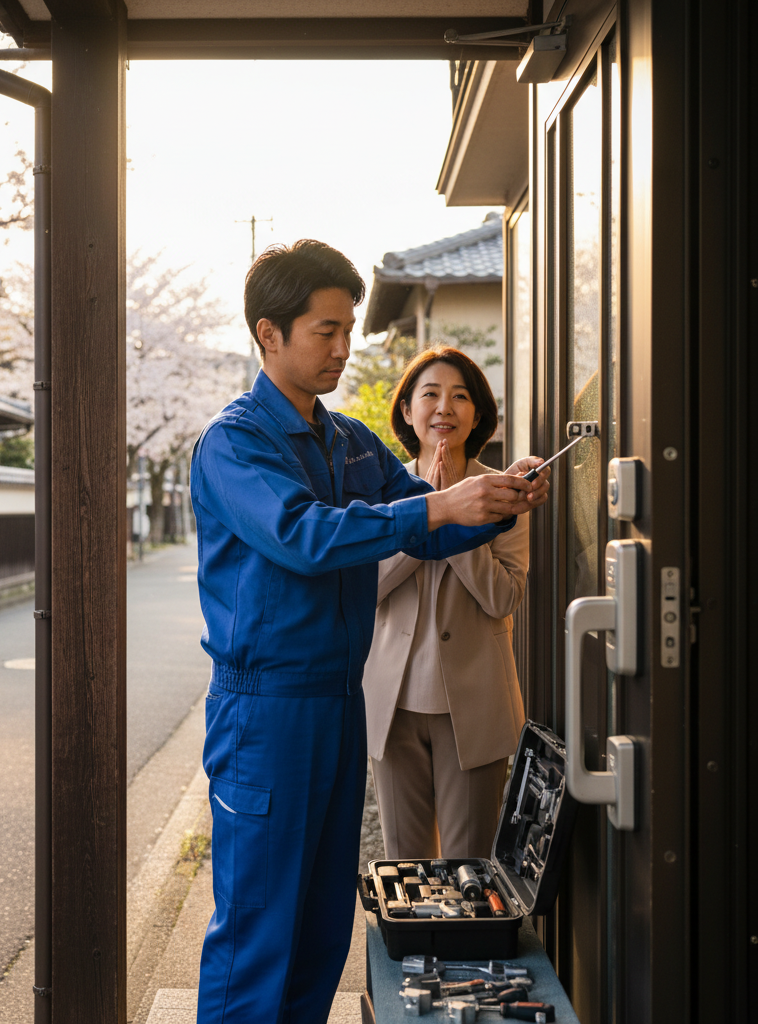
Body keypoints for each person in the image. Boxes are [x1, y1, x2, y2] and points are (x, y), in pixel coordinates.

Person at [190, 240, 549, 1024]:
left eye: (349, 329)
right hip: (265, 710)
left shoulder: (348, 439)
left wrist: (492, 499)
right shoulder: (234, 442)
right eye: (325, 330)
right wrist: (436, 506)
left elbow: (422, 530)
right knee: (258, 929)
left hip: (338, 702)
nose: (343, 349)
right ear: (268, 334)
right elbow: (304, 536)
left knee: (320, 925)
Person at [363, 347, 529, 861]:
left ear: (477, 414)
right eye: (429, 394)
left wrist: (462, 513)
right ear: (408, 411)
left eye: (460, 396)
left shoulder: (506, 493)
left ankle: (467, 947)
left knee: (469, 865)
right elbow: (366, 586)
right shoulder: (380, 493)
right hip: (393, 703)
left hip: (475, 704)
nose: (444, 407)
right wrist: (427, 513)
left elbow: (503, 596)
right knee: (404, 863)